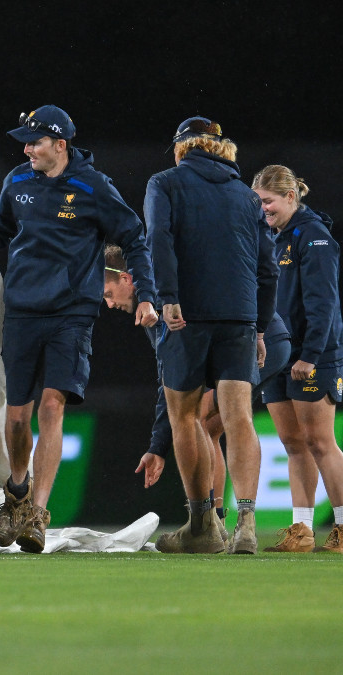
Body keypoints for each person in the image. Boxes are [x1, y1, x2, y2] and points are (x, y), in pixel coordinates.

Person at [0, 105, 158, 553]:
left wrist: (145, 294)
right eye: (26, 143)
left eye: (34, 142)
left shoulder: (93, 186)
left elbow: (133, 237)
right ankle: (16, 491)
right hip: (23, 313)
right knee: (16, 419)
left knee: (52, 408)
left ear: (60, 145)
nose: (27, 149)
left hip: (72, 314)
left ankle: (36, 513)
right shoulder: (16, 182)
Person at [146, 117, 278, 554]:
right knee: (238, 416)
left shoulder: (165, 182)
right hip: (240, 316)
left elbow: (158, 239)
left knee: (185, 416)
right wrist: (259, 326)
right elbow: (268, 268)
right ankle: (246, 524)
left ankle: (201, 524)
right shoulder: (246, 195)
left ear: (182, 149)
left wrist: (167, 295)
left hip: (188, 314)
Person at [106, 244, 289, 542]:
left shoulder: (164, 297)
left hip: (258, 343)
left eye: (108, 294)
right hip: (255, 339)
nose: (110, 304)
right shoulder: (154, 305)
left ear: (126, 279)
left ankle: (211, 524)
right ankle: (222, 522)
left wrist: (160, 444)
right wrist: (158, 445)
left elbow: (174, 382)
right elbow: (170, 382)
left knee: (201, 415)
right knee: (208, 422)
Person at [253, 165, 343, 554]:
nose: (263, 209)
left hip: (312, 356)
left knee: (321, 441)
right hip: (276, 355)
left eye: (268, 201)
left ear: (290, 197)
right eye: (258, 203)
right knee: (292, 443)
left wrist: (310, 355)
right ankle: (302, 530)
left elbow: (324, 304)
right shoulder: (270, 238)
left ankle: (342, 526)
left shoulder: (314, 236)